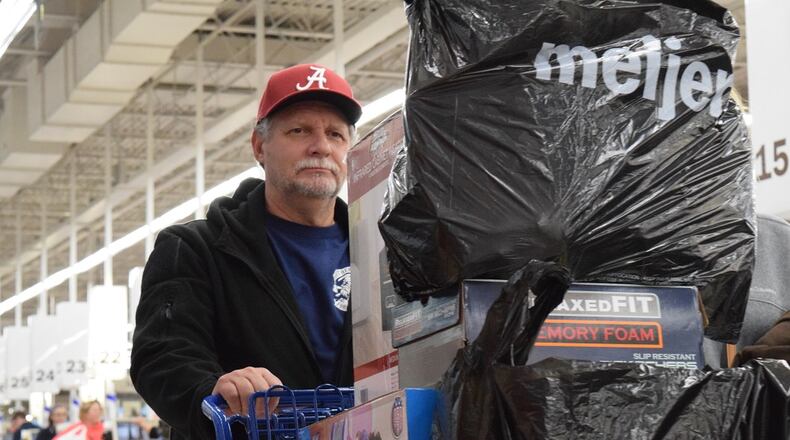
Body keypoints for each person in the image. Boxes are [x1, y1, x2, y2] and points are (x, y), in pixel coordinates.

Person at [130, 63, 362, 439]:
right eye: (299, 130)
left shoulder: (382, 253)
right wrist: (212, 387)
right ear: (259, 147)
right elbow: (161, 357)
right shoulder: (194, 249)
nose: (320, 146)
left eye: (335, 134)